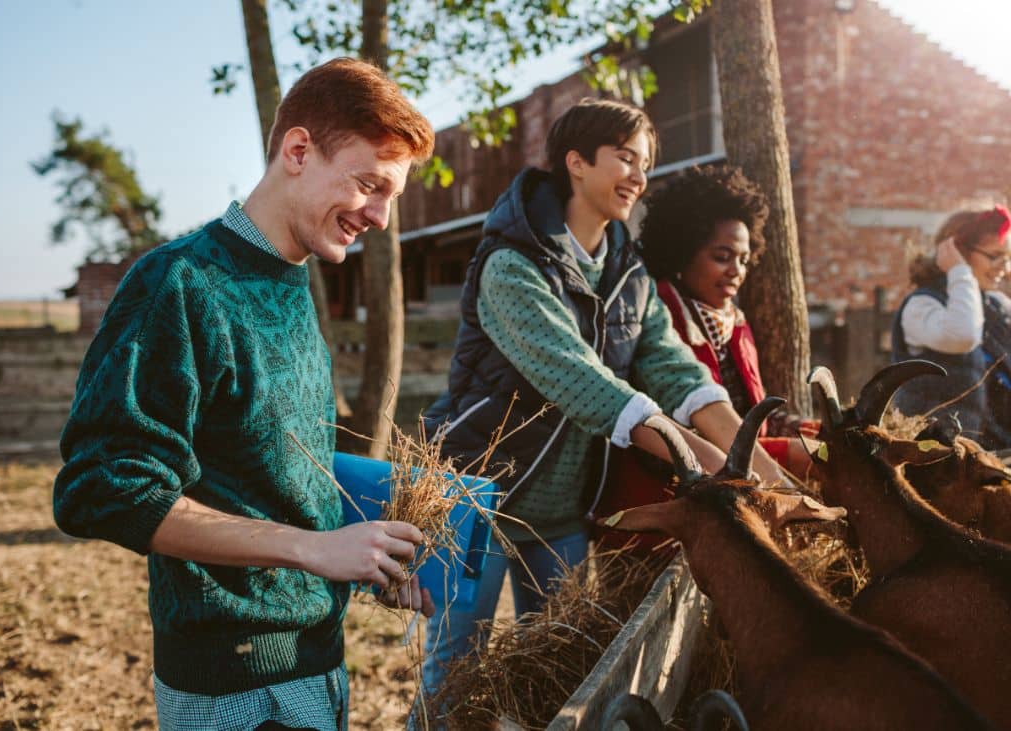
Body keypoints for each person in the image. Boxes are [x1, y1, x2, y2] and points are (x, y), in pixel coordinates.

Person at [53, 58, 436, 731]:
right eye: (370, 184)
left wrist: (365, 551)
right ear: (297, 150)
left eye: (391, 198)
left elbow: (271, 472)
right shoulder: (179, 283)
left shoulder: (292, 282)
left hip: (317, 663)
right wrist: (311, 548)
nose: (379, 215)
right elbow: (103, 486)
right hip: (235, 686)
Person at [416, 99, 789, 705]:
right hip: (474, 495)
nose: (639, 176)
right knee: (453, 679)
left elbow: (676, 370)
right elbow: (579, 380)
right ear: (577, 163)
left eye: (645, 163)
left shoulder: (630, 275)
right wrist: (706, 467)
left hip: (561, 507)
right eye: (625, 158)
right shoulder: (510, 265)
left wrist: (767, 479)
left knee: (554, 673)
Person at [636, 164, 814, 473]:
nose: (736, 271)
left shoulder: (735, 322)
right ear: (683, 251)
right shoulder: (659, 317)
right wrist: (797, 453)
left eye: (744, 260)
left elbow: (755, 419)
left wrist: (821, 434)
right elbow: (694, 438)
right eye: (722, 257)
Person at [892, 204, 1011, 449]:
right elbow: (963, 335)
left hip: (996, 453)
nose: (1004, 267)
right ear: (956, 251)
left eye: (1007, 258)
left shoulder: (994, 305)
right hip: (942, 458)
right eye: (994, 256)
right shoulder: (923, 306)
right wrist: (959, 271)